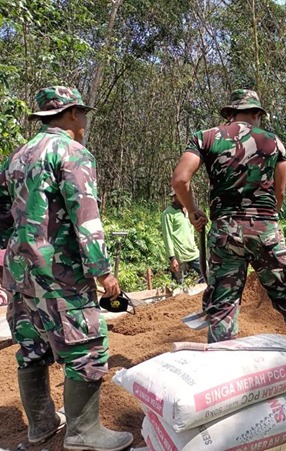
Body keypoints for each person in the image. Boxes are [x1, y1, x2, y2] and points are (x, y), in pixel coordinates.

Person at [0, 86, 133, 450]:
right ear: (73, 113)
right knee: (87, 347)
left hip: (20, 271)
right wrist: (102, 270)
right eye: (83, 115)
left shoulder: (17, 157)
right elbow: (84, 214)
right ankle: (83, 433)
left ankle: (41, 425)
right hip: (60, 271)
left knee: (31, 345)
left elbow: (2, 213)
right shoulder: (72, 152)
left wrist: (9, 255)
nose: (85, 122)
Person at [171, 89, 286, 343]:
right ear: (257, 114)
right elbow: (280, 192)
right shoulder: (274, 142)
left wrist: (192, 210)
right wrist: (267, 221)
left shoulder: (206, 137)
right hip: (266, 230)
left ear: (231, 113)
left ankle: (223, 362)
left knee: (223, 305)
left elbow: (180, 179)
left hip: (226, 232)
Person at [160, 190, 204, 284]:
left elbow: (191, 231)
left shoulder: (189, 212)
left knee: (207, 275)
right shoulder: (168, 213)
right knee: (179, 285)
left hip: (192, 252)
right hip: (178, 256)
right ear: (175, 197)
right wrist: (172, 258)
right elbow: (167, 236)